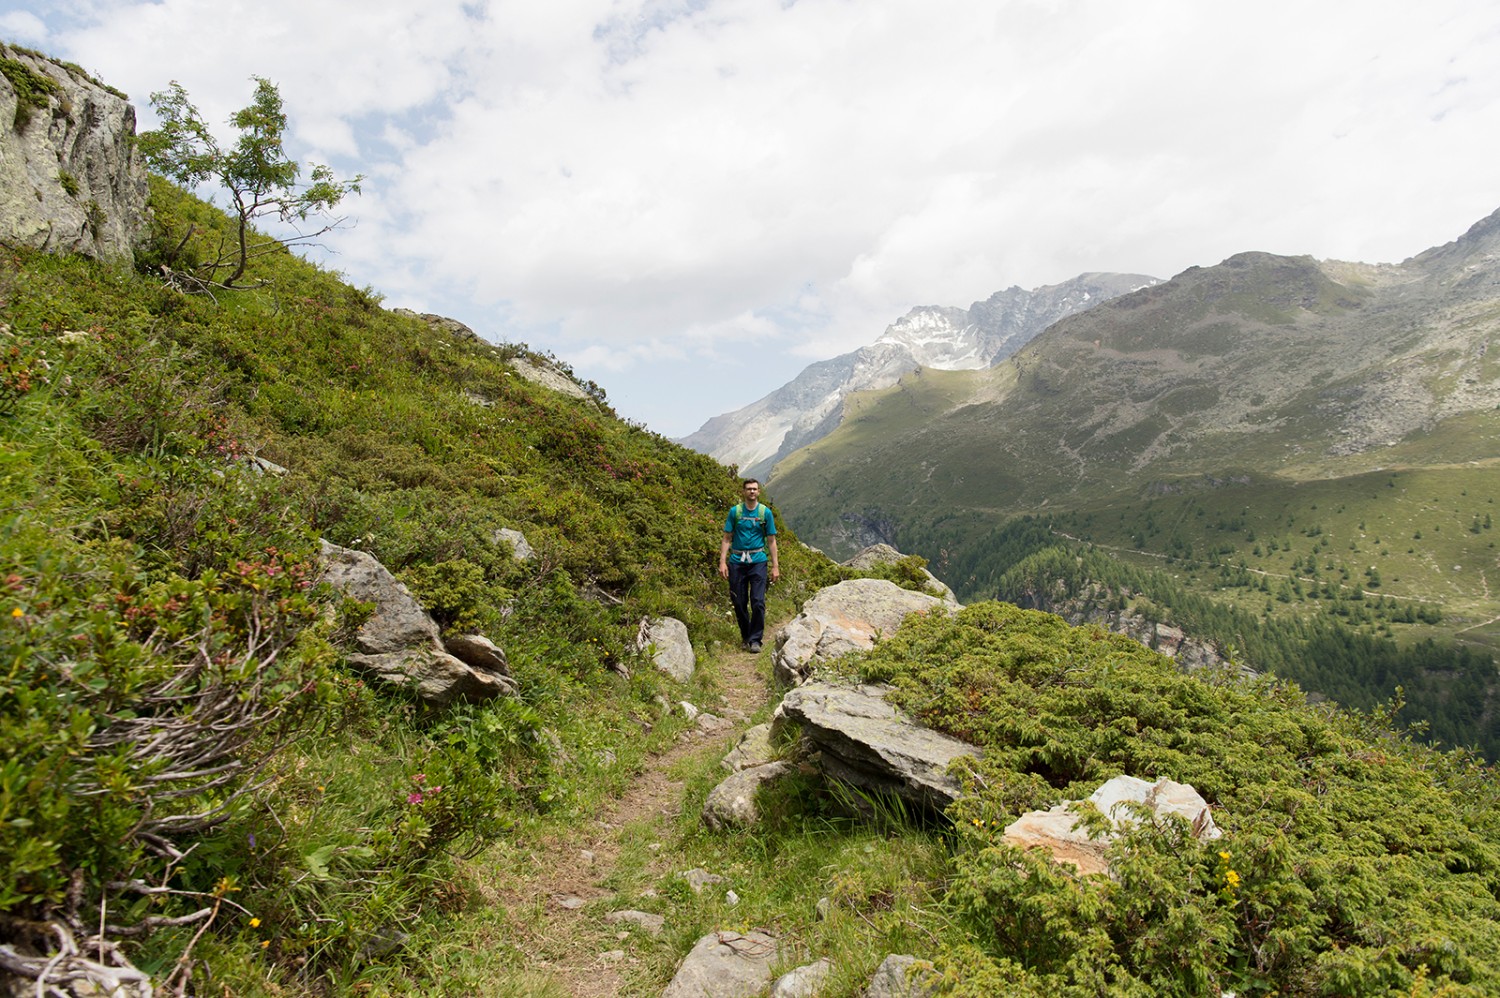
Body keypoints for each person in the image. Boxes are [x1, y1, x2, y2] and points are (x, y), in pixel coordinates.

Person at [719, 478, 779, 652]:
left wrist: (775, 566)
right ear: (743, 492)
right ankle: (746, 635)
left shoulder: (765, 513)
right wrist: (723, 562)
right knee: (739, 602)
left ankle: (755, 640)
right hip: (737, 562)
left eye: (754, 489)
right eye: (748, 489)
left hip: (758, 561)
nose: (752, 492)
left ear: (758, 492)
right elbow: (727, 538)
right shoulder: (735, 512)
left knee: (758, 601)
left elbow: (771, 540)